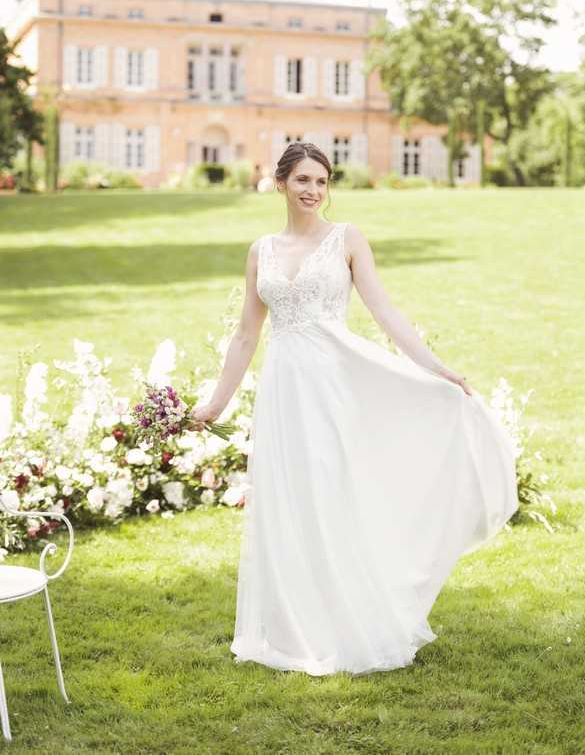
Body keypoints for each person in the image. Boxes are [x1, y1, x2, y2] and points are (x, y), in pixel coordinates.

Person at [189, 142, 519, 676]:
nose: (313, 191)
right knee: (289, 495)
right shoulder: (261, 251)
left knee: (329, 488)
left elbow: (383, 308)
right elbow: (247, 333)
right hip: (283, 387)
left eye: (321, 181)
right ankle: (295, 627)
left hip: (333, 380)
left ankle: (348, 621)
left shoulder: (346, 239)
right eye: (302, 180)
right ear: (281, 184)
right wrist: (215, 404)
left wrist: (438, 369)